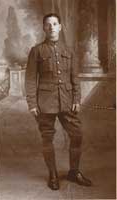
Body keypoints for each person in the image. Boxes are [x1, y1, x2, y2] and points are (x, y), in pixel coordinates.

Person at [25, 13, 92, 190]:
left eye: (55, 24)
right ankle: (53, 173)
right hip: (45, 103)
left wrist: (77, 99)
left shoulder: (69, 51)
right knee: (47, 138)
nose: (52, 27)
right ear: (44, 28)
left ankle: (74, 171)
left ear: (60, 27)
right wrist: (32, 103)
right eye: (48, 24)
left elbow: (74, 77)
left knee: (77, 135)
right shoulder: (37, 51)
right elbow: (30, 79)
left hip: (67, 101)